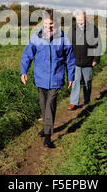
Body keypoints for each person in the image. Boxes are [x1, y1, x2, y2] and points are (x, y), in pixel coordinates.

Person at [20, 9, 76, 148]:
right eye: (45, 24)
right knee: (44, 106)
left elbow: (70, 59)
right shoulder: (36, 37)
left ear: (55, 23)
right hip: (40, 78)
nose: (48, 27)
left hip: (56, 77)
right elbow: (27, 55)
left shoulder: (63, 38)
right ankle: (46, 127)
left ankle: (48, 136)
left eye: (50, 24)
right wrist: (24, 71)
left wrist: (71, 76)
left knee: (50, 105)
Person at [67, 10, 102, 111]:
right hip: (75, 61)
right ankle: (73, 102)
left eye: (81, 19)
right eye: (78, 20)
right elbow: (68, 45)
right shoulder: (72, 29)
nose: (80, 22)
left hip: (88, 61)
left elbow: (98, 45)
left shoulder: (93, 29)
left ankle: (87, 99)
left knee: (87, 82)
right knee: (75, 81)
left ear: (85, 18)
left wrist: (96, 59)